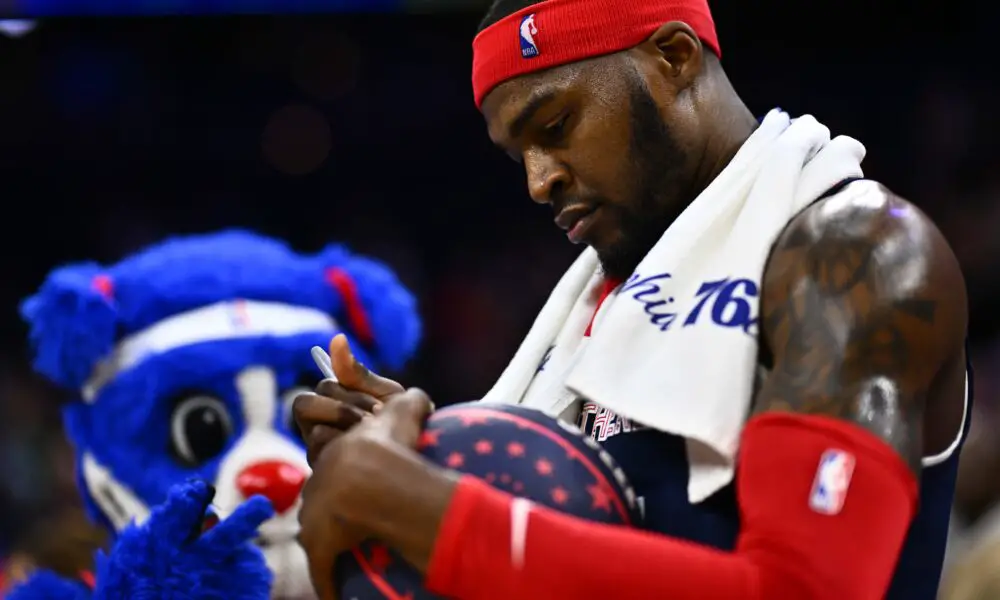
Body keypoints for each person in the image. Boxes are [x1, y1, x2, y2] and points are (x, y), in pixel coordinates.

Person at [292, 1, 971, 598]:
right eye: (517, 155)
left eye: (556, 125)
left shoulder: (853, 253)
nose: (537, 182)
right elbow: (606, 528)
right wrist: (438, 457)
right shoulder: (603, 300)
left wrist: (432, 512)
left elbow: (801, 590)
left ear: (673, 57)